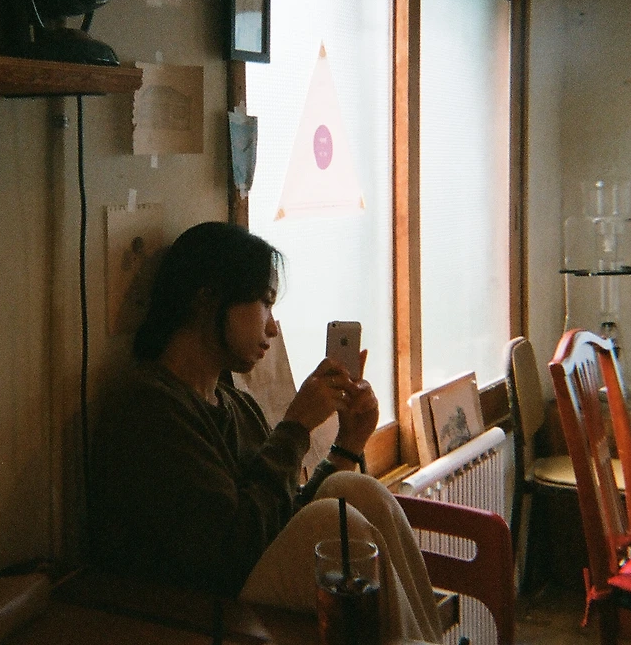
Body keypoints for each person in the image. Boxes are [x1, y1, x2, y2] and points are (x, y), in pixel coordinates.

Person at [88, 221, 442, 643]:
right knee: (334, 521)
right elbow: (230, 554)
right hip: (190, 612)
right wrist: (294, 427)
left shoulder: (235, 404)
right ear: (207, 299)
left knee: (355, 489)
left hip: (240, 585)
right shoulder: (149, 406)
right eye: (265, 303)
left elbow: (282, 519)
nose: (273, 328)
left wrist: (347, 445)